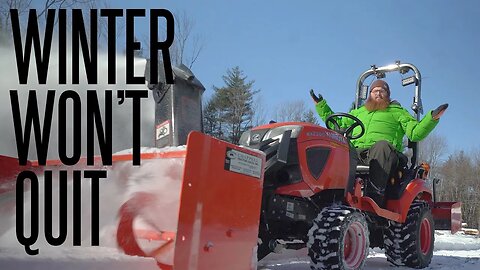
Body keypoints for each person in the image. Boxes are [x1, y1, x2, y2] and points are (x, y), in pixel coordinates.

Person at [310, 79, 448, 206]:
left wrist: (432, 118)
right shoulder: (359, 112)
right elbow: (337, 124)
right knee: (339, 145)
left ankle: (375, 194)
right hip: (359, 153)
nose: (378, 93)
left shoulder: (397, 111)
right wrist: (321, 105)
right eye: (375, 91)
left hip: (386, 154)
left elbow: (415, 132)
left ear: (387, 95)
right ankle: (330, 192)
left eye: (382, 91)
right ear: (370, 94)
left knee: (381, 146)